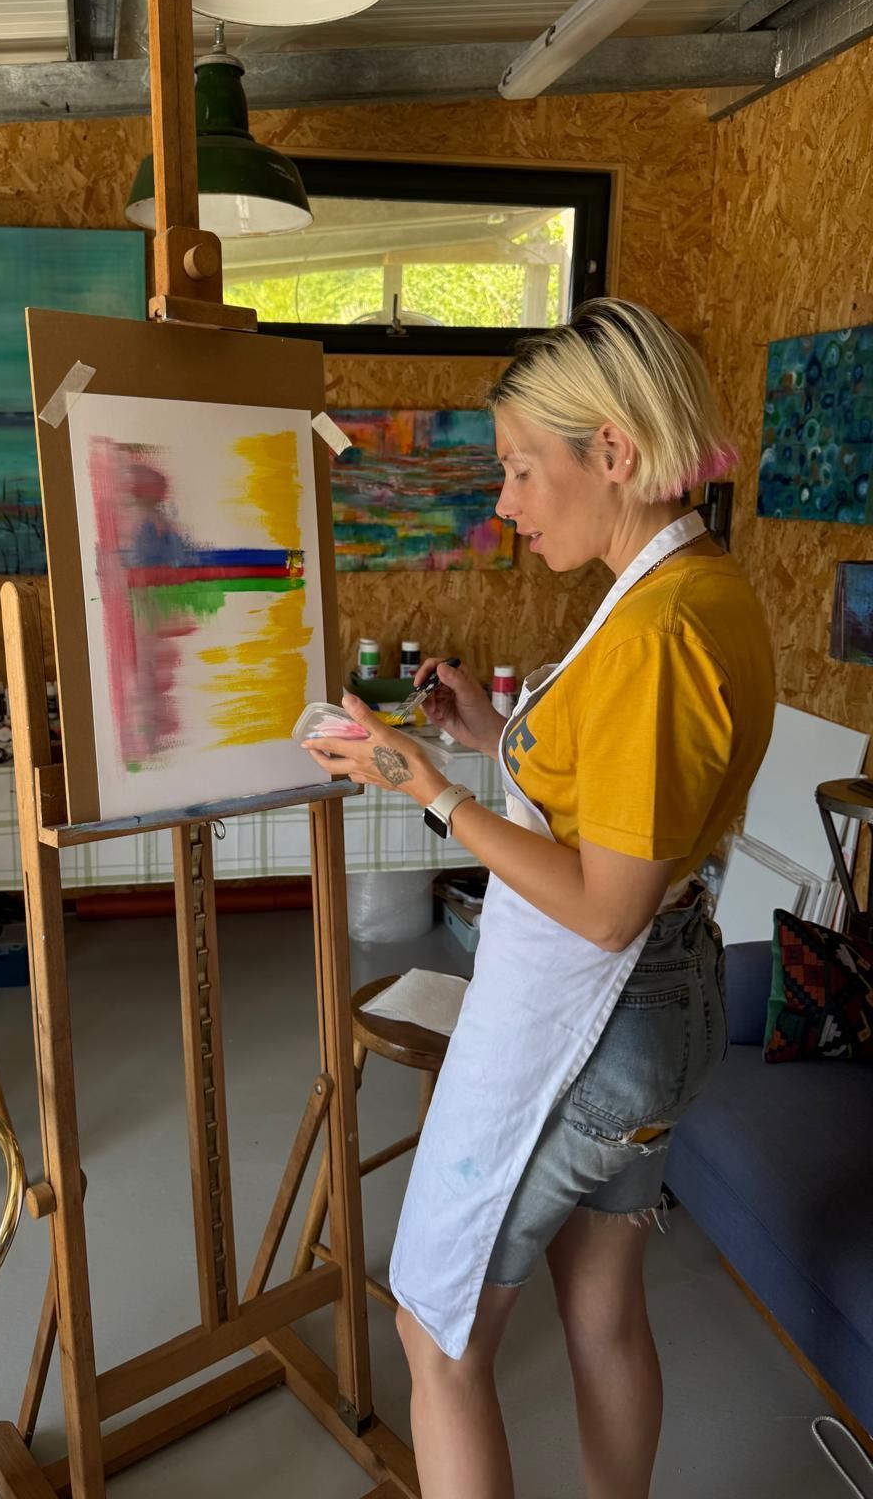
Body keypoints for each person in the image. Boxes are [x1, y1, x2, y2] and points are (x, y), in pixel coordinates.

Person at [302, 298, 775, 1499]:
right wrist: (490, 739)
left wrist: (431, 793)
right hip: (654, 1009)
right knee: (603, 1306)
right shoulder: (700, 588)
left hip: (600, 1018)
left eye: (521, 468)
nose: (506, 503)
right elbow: (626, 799)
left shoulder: (655, 632)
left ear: (610, 452)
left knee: (434, 1330)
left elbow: (608, 904)